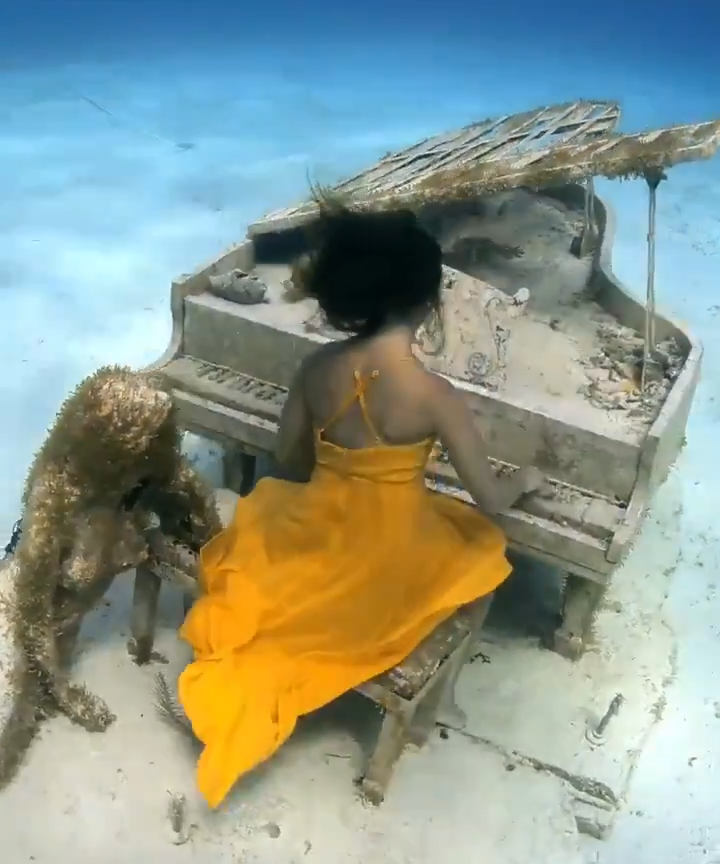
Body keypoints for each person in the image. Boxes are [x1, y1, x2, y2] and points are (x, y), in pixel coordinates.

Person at [178, 199, 545, 808]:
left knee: (268, 520)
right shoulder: (435, 394)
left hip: (318, 526)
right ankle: (425, 713)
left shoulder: (317, 365)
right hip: (388, 554)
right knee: (483, 550)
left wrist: (340, 469)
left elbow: (288, 454)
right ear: (429, 304)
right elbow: (491, 500)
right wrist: (524, 481)